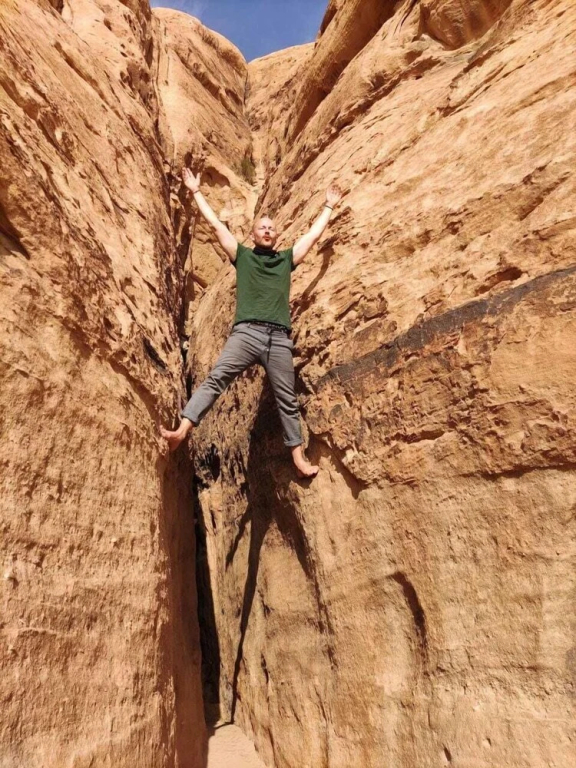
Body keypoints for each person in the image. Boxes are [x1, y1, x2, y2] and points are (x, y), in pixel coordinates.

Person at [161, 166, 342, 477]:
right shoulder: (242, 256)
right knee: (216, 379)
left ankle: (298, 459)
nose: (267, 231)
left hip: (279, 339)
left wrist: (328, 205)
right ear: (254, 234)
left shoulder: (285, 260)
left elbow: (312, 237)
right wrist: (195, 191)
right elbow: (216, 225)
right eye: (262, 228)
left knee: (287, 399)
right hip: (246, 334)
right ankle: (182, 430)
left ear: (276, 235)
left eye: (271, 228)